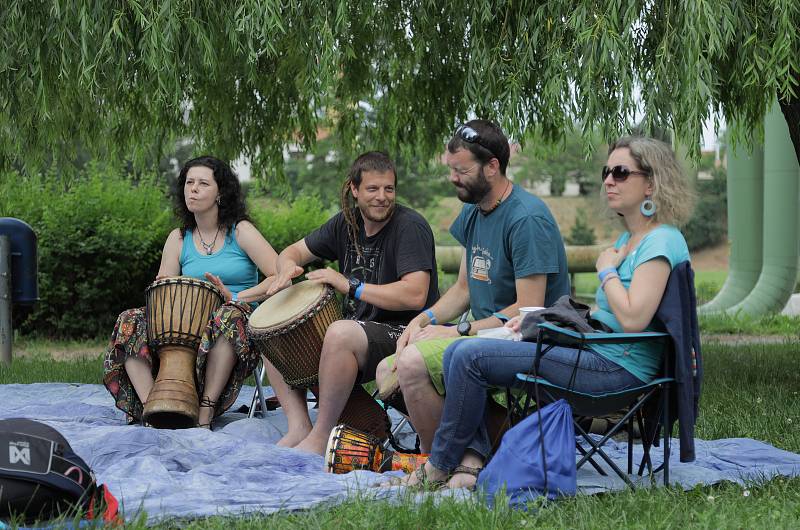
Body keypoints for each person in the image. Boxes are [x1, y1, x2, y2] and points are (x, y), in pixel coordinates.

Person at [394, 135, 696, 489]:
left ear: (652, 182)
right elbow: (606, 316)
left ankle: (441, 465)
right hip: (594, 352)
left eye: (621, 172)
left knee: (470, 356)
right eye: (606, 171)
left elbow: (633, 320)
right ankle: (469, 465)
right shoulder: (628, 241)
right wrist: (543, 322)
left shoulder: (661, 241)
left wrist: (607, 270)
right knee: (463, 352)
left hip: (618, 372)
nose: (609, 181)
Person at [375, 119, 570, 486]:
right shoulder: (474, 210)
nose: (453, 177)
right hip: (483, 337)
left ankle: (448, 464)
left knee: (415, 363)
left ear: (492, 166)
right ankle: (468, 449)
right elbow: (464, 288)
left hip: (527, 338)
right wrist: (423, 320)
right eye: (450, 169)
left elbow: (530, 307)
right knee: (388, 371)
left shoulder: (527, 218)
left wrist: (456, 330)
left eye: (461, 170)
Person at [257, 151, 439, 454]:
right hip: (360, 332)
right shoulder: (345, 223)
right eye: (372, 189)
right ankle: (299, 425)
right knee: (276, 333)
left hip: (406, 332)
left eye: (389, 189)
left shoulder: (410, 227)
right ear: (354, 190)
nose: (382, 197)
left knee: (341, 332)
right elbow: (292, 252)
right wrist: (286, 267)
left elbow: (415, 294)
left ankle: (320, 436)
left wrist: (350, 286)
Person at [103, 156, 279, 428]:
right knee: (130, 320)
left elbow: (279, 279)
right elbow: (165, 290)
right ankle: (156, 408)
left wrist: (235, 297)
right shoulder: (178, 238)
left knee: (227, 317)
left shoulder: (241, 231)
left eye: (203, 183)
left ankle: (205, 410)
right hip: (187, 326)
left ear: (220, 192)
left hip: (237, 323)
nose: (193, 189)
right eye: (189, 182)